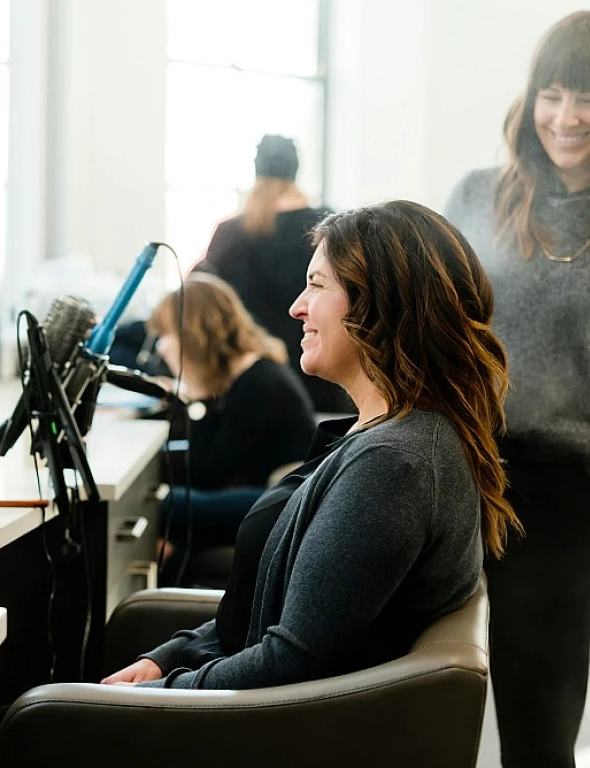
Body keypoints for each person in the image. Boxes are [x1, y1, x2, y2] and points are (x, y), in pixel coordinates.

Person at [101, 200, 521, 690]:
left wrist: (156, 695)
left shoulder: (393, 467)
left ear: (378, 304)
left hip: (250, 730)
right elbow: (276, 613)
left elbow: (288, 662)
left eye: (317, 285)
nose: (296, 307)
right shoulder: (386, 438)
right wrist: (170, 657)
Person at [443, 12, 590, 767]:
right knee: (507, 720)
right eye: (553, 94)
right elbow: (426, 324)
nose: (566, 118)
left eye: (589, 99)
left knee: (544, 721)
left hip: (574, 486)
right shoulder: (477, 196)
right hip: (481, 474)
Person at [147, 272, 316, 582]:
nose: (161, 347)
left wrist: (196, 401)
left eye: (166, 335)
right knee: (179, 535)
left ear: (192, 335)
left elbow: (207, 471)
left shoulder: (257, 384)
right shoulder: (249, 374)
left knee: (167, 504)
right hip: (269, 493)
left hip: (281, 502)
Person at [194, 134, 353, 414]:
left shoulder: (231, 233)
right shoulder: (330, 228)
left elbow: (199, 301)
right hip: (325, 379)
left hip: (254, 387)